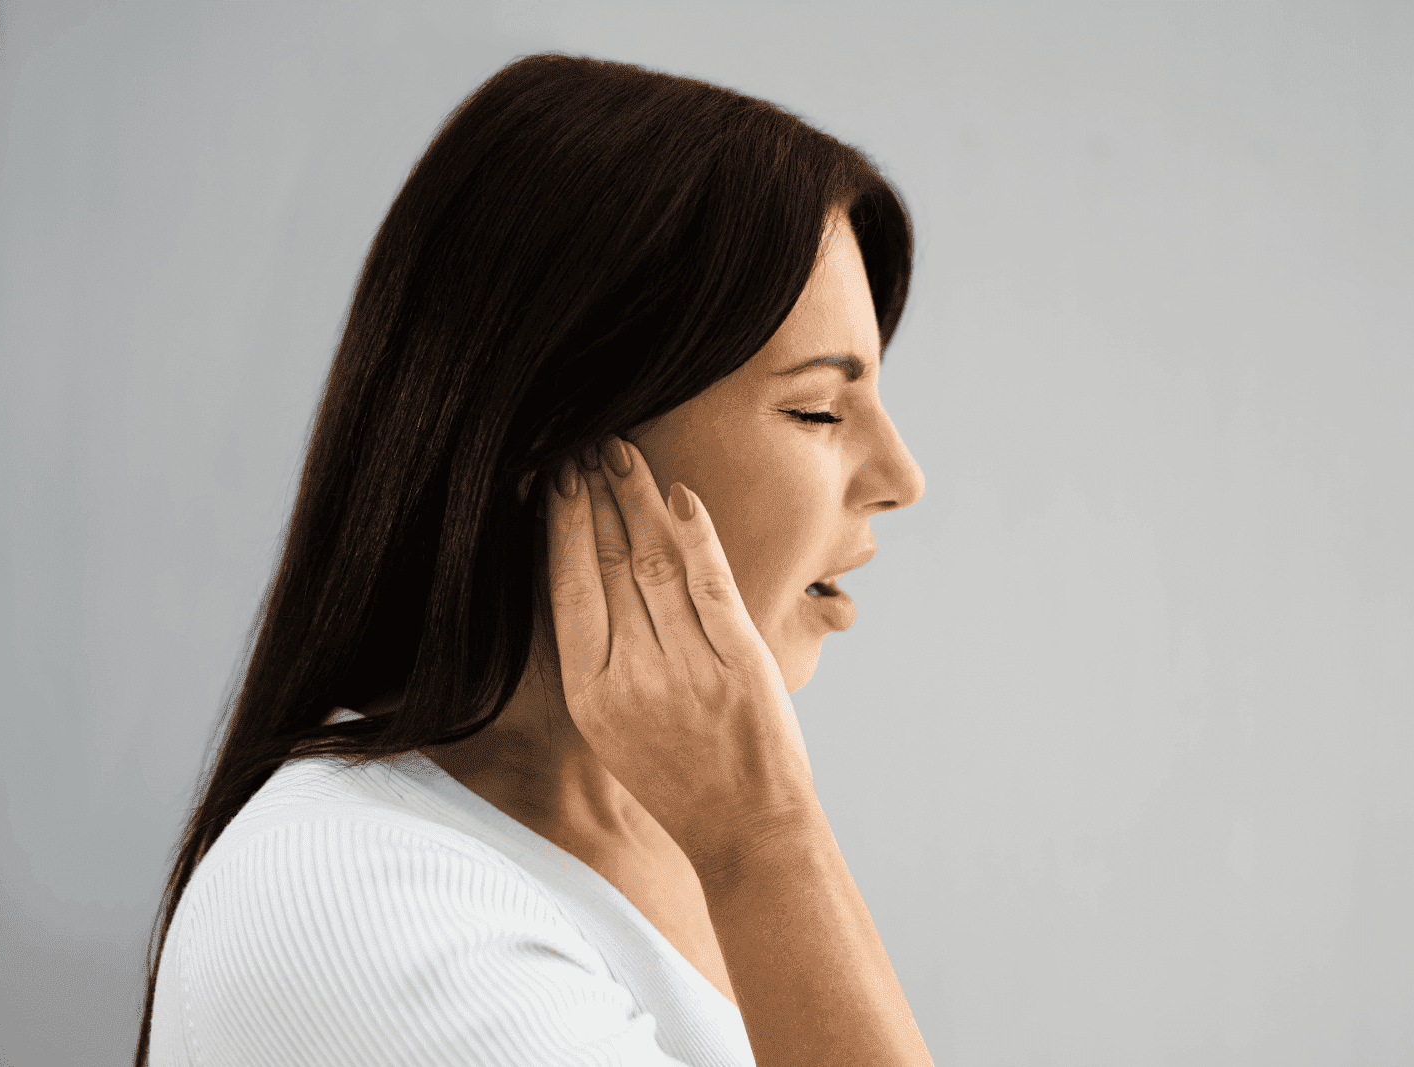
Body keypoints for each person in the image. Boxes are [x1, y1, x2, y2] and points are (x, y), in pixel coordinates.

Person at [136, 52, 930, 1067]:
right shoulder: (360, 898)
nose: (901, 475)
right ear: (559, 449)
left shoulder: (668, 838)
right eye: (816, 407)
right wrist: (769, 841)